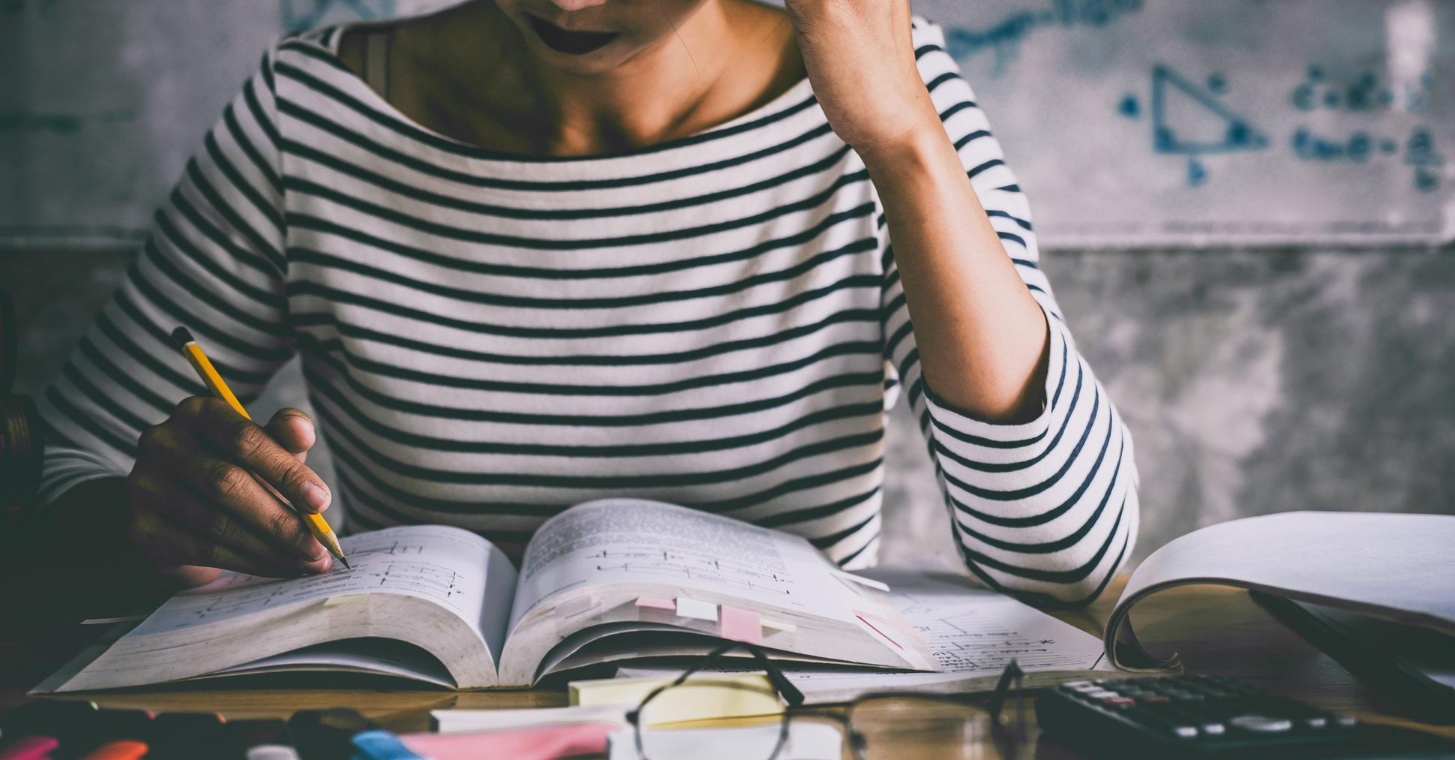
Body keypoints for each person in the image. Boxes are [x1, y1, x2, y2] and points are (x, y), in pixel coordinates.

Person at [33, 0, 1137, 606]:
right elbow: (59, 468)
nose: (566, 0)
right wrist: (148, 515)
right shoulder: (307, 118)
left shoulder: (890, 109)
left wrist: (901, 142)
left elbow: (1069, 556)